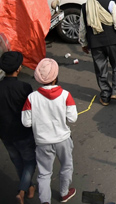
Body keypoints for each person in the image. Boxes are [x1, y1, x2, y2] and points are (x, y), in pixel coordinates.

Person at [22, 58, 77, 204]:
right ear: (56, 77)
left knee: (44, 173)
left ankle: (45, 201)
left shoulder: (31, 98)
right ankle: (64, 193)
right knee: (66, 166)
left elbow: (26, 122)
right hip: (63, 140)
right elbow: (72, 118)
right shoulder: (66, 95)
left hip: (42, 142)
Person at [0, 51, 36, 204]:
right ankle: (22, 190)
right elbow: (31, 112)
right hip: (23, 133)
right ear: (18, 69)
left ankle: (29, 186)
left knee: (17, 161)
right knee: (30, 161)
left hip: (5, 134)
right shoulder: (25, 88)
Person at [79, 0, 116, 106]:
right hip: (112, 41)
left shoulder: (85, 7)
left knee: (101, 70)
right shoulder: (110, 4)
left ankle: (105, 96)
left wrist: (84, 43)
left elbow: (82, 28)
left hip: (95, 43)